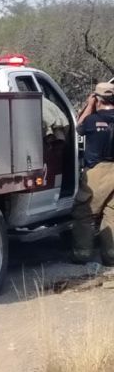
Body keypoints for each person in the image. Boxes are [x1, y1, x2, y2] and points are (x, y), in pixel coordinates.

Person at [71, 82, 114, 264]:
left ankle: (82, 254)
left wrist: (89, 105)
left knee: (85, 212)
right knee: (111, 213)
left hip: (97, 171)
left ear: (97, 99)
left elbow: (78, 128)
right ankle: (111, 256)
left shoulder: (92, 120)